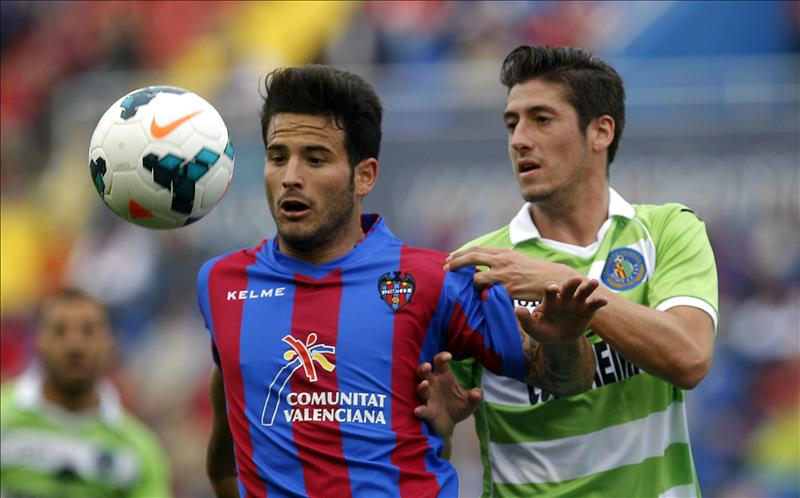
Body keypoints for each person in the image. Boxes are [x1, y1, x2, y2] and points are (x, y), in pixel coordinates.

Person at [197, 64, 608, 498]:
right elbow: (227, 452)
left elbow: (566, 380)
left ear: (364, 175)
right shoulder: (221, 283)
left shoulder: (436, 279)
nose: (290, 177)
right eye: (277, 157)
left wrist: (564, 340)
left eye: (316, 159)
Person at [414, 45, 719, 498]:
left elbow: (690, 358)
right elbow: (438, 413)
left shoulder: (668, 230)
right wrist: (439, 421)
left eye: (541, 118)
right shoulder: (475, 266)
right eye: (512, 123)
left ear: (600, 131)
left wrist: (562, 282)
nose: (519, 139)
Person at [0, 288, 171, 498]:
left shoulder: (139, 449)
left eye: (89, 331)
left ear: (110, 342)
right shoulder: (4, 419)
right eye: (59, 331)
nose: (75, 345)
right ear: (38, 341)